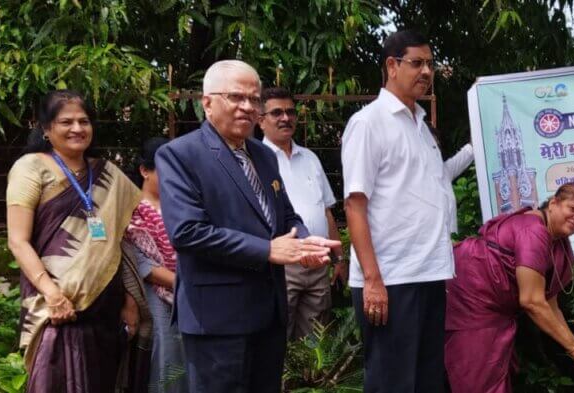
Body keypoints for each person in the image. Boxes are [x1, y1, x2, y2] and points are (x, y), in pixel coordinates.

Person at [155, 60, 340, 393]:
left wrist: (306, 245)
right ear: (207, 102)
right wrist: (268, 250)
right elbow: (187, 232)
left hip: (268, 312)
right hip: (218, 319)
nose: (247, 107)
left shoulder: (263, 155)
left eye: (254, 100)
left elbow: (285, 216)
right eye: (236, 97)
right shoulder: (180, 155)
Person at [6, 90, 149, 392]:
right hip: (57, 309)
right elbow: (18, 241)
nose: (77, 129)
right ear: (45, 129)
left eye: (84, 121)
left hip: (106, 312)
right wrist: (52, 295)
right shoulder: (31, 168)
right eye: (65, 122)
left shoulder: (107, 174)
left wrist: (130, 300)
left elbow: (121, 243)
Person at [341, 29, 453, 393]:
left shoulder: (421, 125)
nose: (426, 72)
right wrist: (373, 280)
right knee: (393, 382)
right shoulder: (368, 123)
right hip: (391, 279)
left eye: (430, 64)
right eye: (416, 63)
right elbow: (355, 205)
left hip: (429, 271)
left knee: (426, 380)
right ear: (392, 65)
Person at [445, 182, 574, 393]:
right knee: (478, 380)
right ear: (554, 203)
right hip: (471, 301)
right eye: (573, 209)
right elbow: (531, 301)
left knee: (496, 377)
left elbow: (550, 305)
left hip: (497, 312)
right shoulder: (533, 231)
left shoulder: (558, 243)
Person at [258, 86, 346, 340]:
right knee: (277, 339)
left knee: (315, 343)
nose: (285, 118)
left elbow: (326, 211)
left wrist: (339, 259)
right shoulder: (255, 160)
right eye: (276, 113)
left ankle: (311, 383)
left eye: (290, 112)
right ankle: (279, 383)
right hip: (281, 266)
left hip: (318, 264)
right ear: (261, 121)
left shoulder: (310, 158)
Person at [123, 136, 188, 393]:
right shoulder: (132, 209)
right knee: (166, 357)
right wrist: (183, 284)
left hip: (191, 294)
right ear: (144, 171)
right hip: (155, 295)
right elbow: (140, 263)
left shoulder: (183, 205)